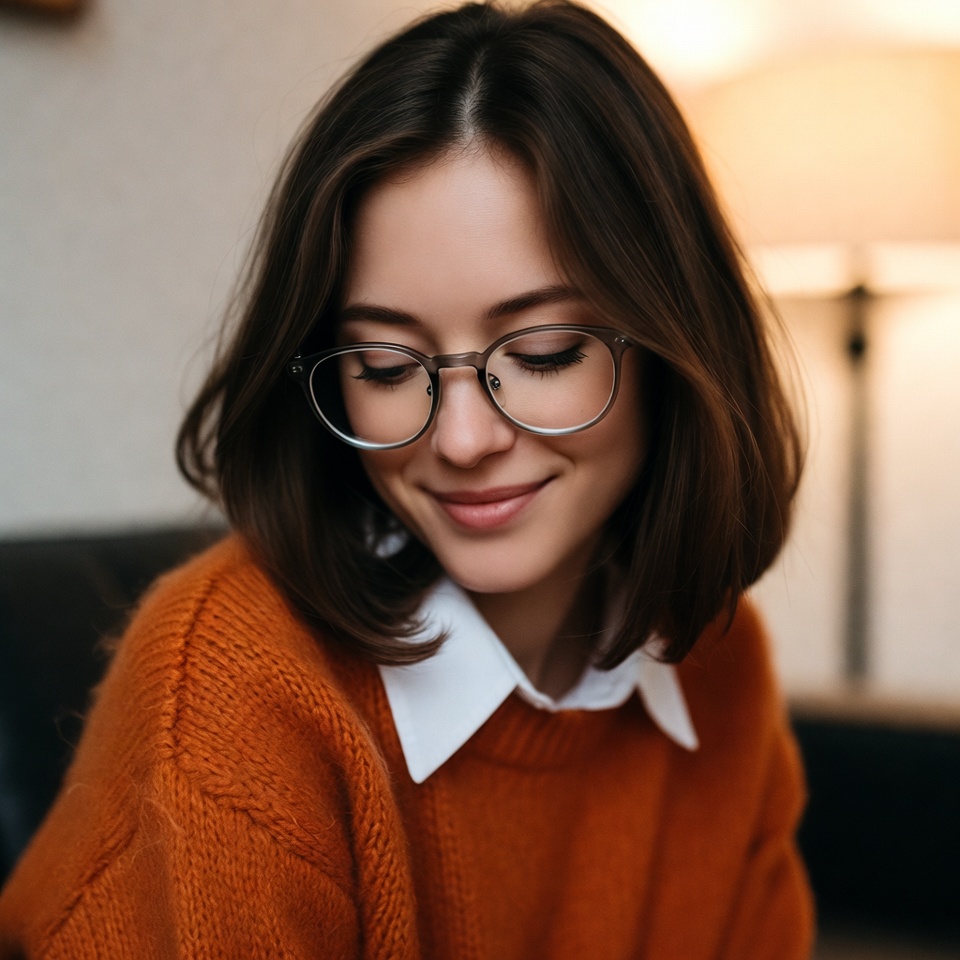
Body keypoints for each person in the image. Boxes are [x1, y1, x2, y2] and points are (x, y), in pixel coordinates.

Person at [0, 1, 812, 957]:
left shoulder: (718, 660)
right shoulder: (228, 693)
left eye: (543, 351)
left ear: (676, 349)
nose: (462, 438)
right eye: (385, 365)